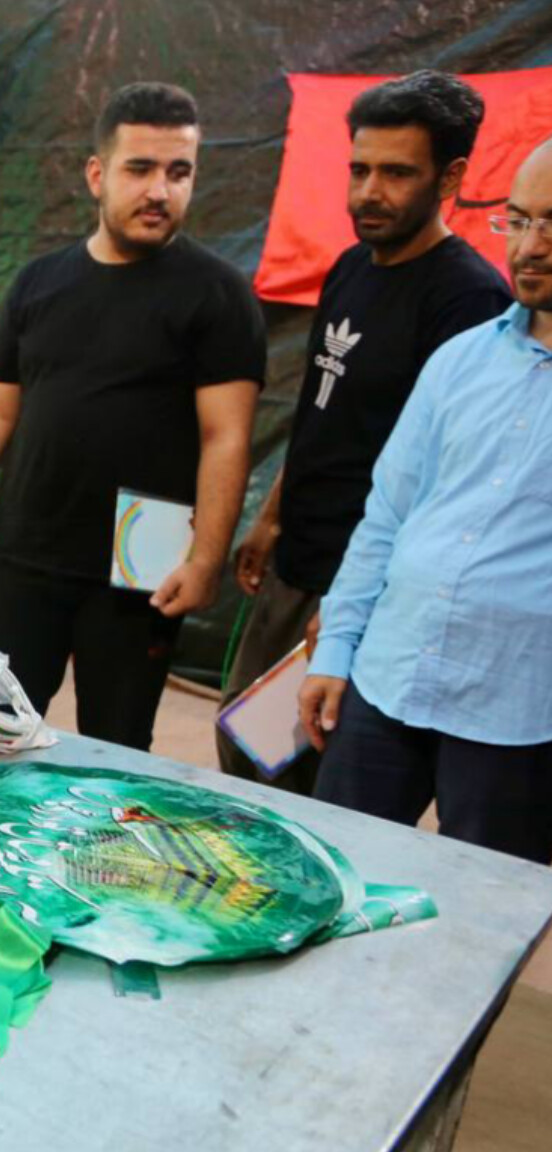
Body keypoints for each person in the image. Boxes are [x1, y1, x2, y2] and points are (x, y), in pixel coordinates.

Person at [0, 82, 267, 750]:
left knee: (116, 747)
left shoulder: (219, 296)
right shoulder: (38, 282)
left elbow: (226, 437)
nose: (160, 191)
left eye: (179, 172)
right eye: (139, 169)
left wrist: (206, 560)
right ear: (97, 174)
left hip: (141, 568)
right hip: (26, 553)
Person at [220, 71, 511, 793]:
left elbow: (452, 480)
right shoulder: (350, 268)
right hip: (295, 562)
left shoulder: (470, 302)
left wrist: (355, 610)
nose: (369, 192)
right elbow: (323, 407)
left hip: (363, 593)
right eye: (359, 170)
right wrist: (271, 516)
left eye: (397, 173)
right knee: (243, 750)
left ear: (451, 178)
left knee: (302, 785)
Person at [297, 138, 552, 865]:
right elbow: (386, 516)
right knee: (328, 876)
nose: (530, 246)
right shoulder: (461, 359)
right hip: (390, 675)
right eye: (519, 220)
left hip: (521, 713)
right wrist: (337, 651)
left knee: (487, 915)